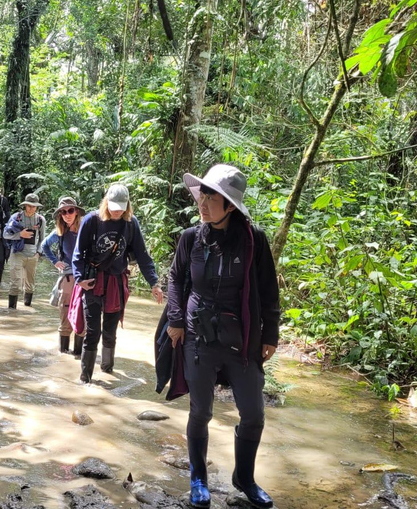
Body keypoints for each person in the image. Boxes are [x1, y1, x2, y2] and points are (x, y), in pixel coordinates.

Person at [165, 164, 280, 508]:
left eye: (211, 195)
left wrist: (270, 334)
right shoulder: (191, 238)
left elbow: (268, 290)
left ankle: (244, 477)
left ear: (230, 205)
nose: (202, 201)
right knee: (200, 412)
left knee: (253, 413)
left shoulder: (253, 240)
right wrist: (176, 320)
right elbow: (175, 278)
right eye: (202, 193)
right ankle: (198, 478)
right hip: (199, 338)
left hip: (242, 340)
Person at [72, 184, 164, 383]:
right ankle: (85, 378)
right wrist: (80, 280)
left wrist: (154, 284)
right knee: (92, 331)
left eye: (121, 207)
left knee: (110, 331)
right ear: (106, 203)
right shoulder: (91, 221)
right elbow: (78, 254)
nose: (117, 211)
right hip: (93, 281)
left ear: (127, 205)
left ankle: (107, 369)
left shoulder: (131, 224)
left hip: (116, 282)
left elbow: (142, 255)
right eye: (113, 207)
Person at [40, 197, 86, 355]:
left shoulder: (85, 229)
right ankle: (63, 354)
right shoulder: (60, 232)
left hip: (85, 279)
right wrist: (55, 262)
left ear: (76, 212)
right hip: (67, 277)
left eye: (70, 210)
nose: (67, 214)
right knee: (65, 317)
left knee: (82, 318)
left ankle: (78, 355)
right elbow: (44, 245)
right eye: (63, 212)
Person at [3, 193, 46, 309]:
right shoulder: (16, 217)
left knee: (30, 285)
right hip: (17, 254)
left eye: (34, 206)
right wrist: (19, 234)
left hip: (33, 256)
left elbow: (42, 239)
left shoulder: (40, 220)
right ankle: (12, 312)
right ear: (25, 205)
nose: (31, 208)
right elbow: (5, 234)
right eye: (29, 206)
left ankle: (27, 308)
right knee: (15, 283)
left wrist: (38, 253)